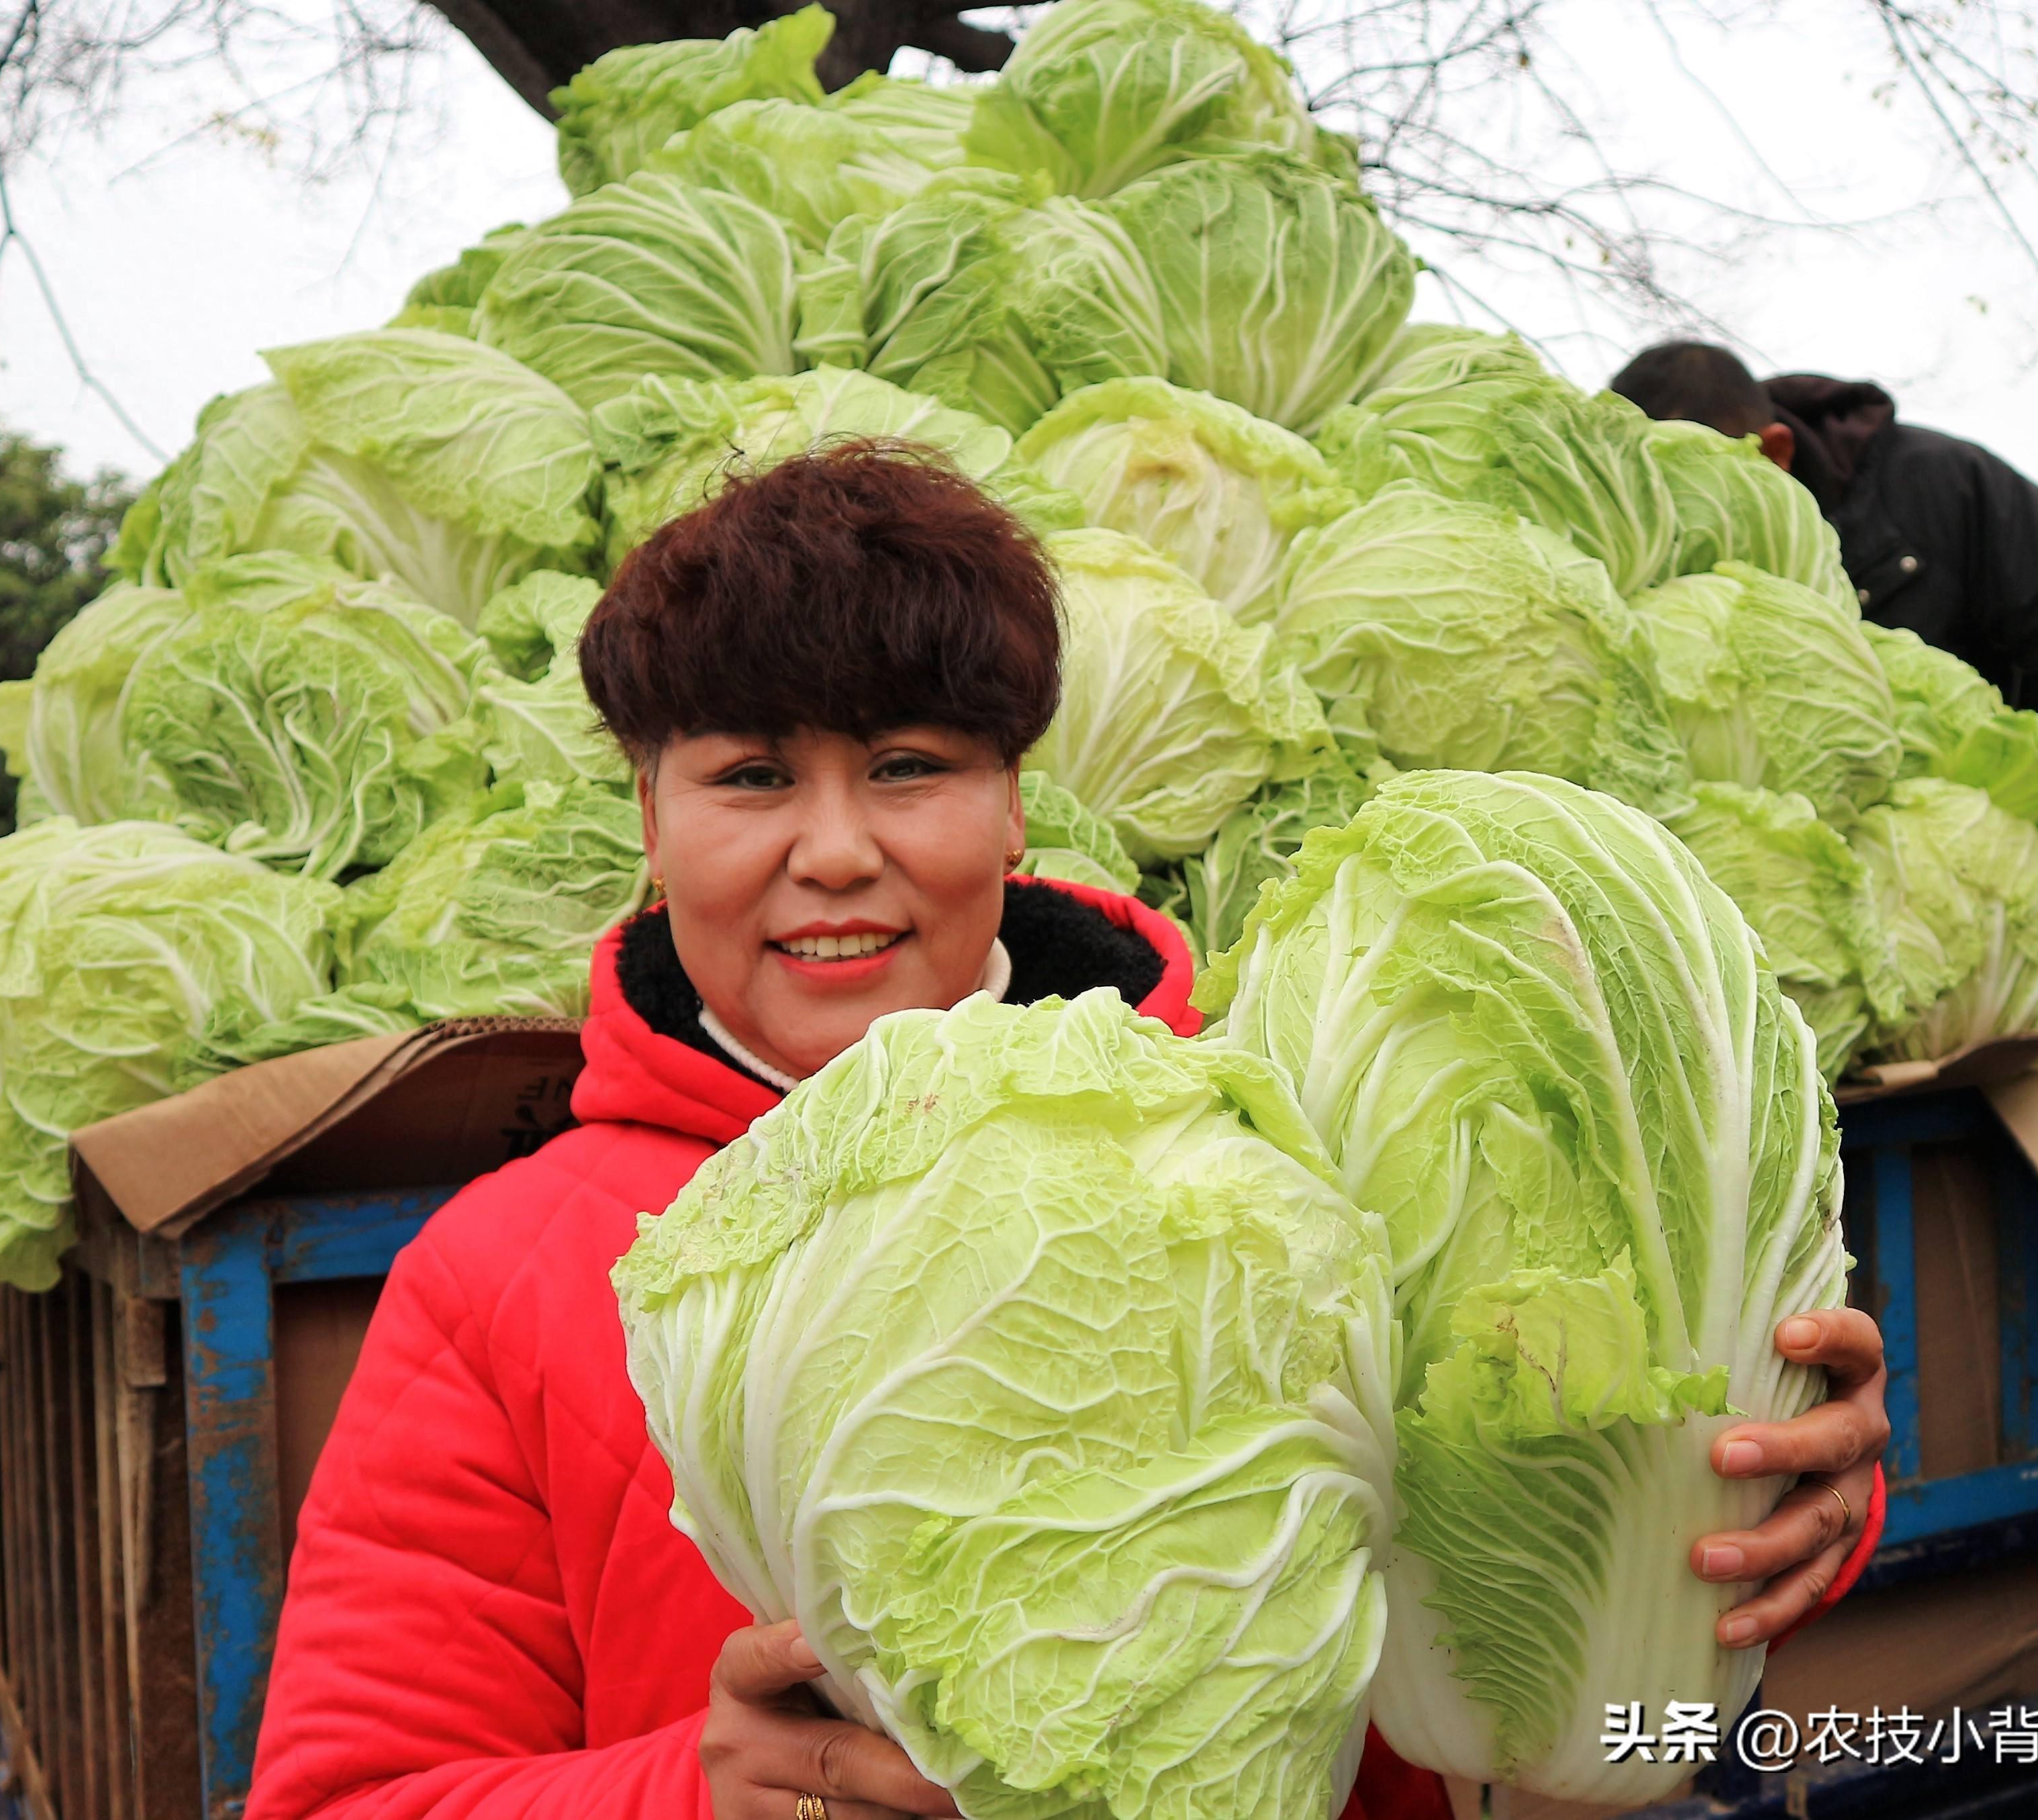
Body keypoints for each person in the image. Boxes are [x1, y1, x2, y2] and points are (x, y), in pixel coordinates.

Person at [246, 444, 1890, 1820]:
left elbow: (1552, 1519)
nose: (832, 851)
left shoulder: (1303, 1137)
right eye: (750, 777)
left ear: (1018, 798)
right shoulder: (498, 1272)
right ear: (649, 811)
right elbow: (350, 1795)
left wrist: (1769, 1476)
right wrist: (691, 1790)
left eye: (909, 766)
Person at [1610, 340, 2038, 1054]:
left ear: (1773, 453)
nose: (1674, 515)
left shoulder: (1937, 485)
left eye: (1687, 485)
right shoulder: (1658, 556)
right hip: (1831, 965)